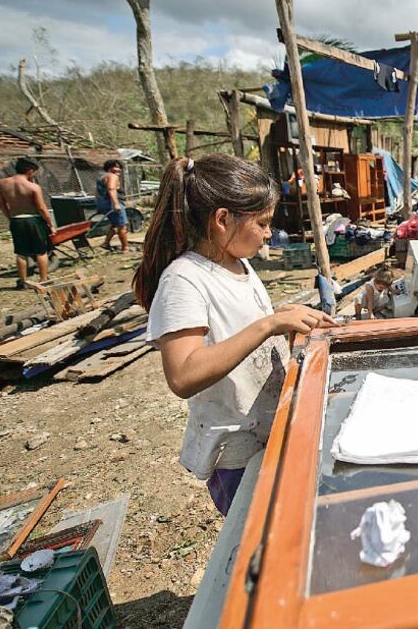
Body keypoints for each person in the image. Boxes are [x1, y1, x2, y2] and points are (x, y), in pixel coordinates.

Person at [133, 154, 335, 516]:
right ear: (223, 219)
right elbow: (183, 374)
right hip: (238, 453)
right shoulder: (184, 280)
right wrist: (267, 325)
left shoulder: (238, 264)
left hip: (269, 430)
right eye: (263, 223)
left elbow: (237, 329)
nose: (270, 233)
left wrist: (280, 318)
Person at [0, 157, 54, 288]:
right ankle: (44, 279)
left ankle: (23, 281)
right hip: (34, 220)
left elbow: (1, 204)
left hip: (16, 220)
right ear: (30, 170)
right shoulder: (33, 187)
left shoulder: (2, 184)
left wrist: (10, 218)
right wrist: (50, 223)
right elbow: (41, 208)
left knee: (21, 252)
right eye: (34, 173)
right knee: (41, 251)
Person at [96, 159, 129, 252]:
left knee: (114, 225)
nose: (118, 170)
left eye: (119, 168)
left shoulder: (101, 177)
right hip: (112, 203)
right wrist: (116, 204)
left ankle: (106, 243)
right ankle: (125, 248)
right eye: (115, 167)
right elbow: (111, 188)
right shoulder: (112, 176)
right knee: (122, 226)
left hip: (104, 204)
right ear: (109, 168)